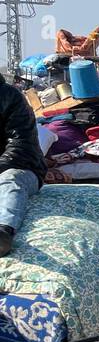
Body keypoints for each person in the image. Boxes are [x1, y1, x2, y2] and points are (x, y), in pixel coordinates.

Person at [0, 74, 46, 257]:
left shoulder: (9, 96)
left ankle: (4, 230)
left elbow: (21, 145)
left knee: (11, 180)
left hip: (22, 166)